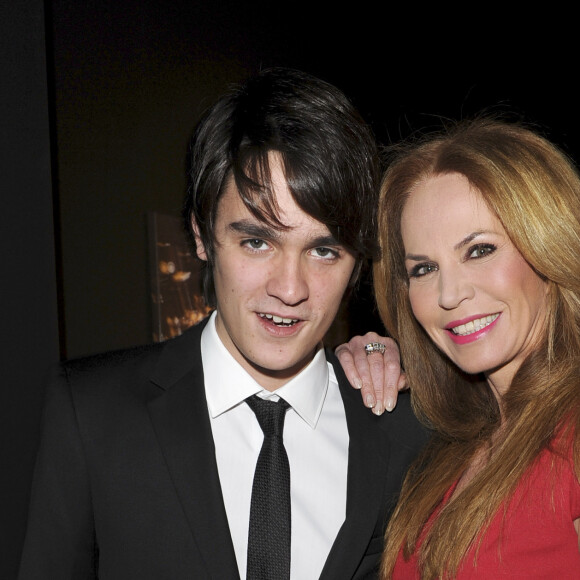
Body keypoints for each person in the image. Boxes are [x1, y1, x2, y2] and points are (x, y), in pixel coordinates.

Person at [18, 67, 428, 580]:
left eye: (324, 250)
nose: (290, 288)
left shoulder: (407, 430)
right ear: (201, 235)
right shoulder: (92, 415)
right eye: (257, 241)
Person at [337, 118, 580, 578]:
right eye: (424, 269)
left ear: (550, 248)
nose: (449, 295)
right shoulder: (446, 448)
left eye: (479, 250)